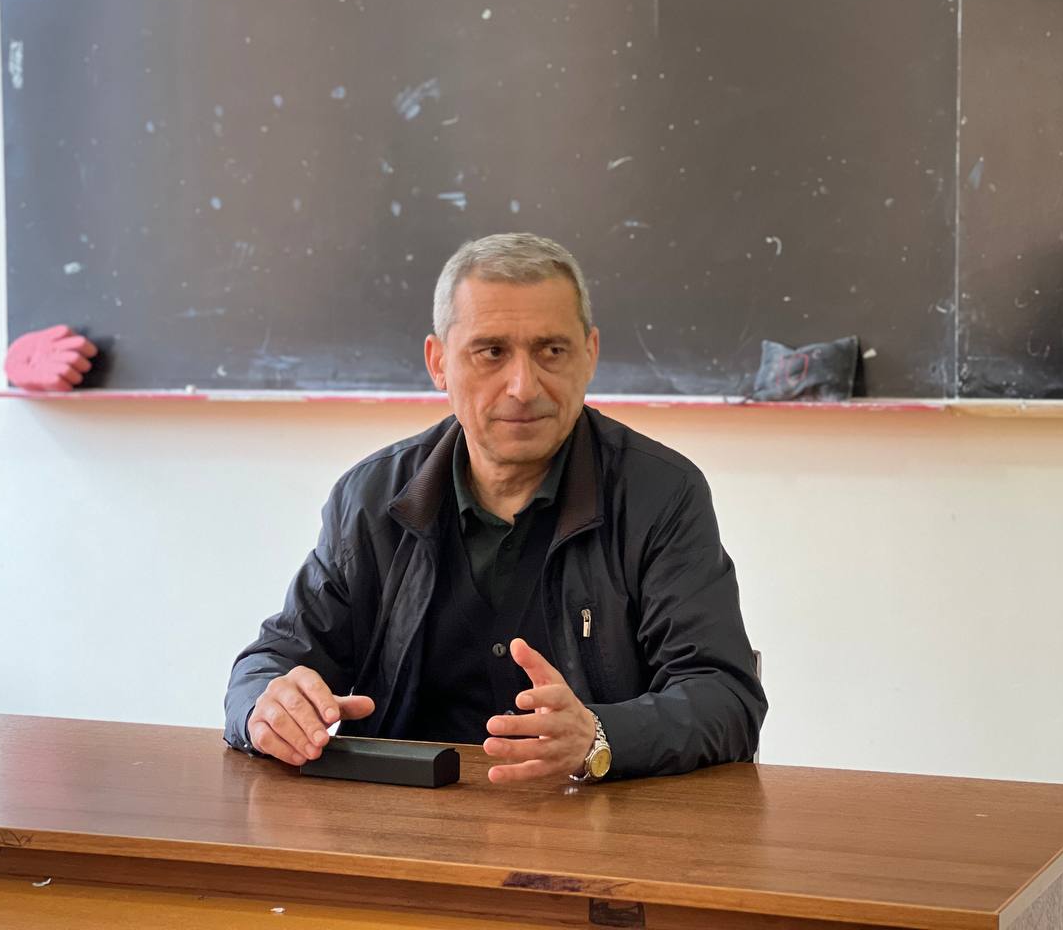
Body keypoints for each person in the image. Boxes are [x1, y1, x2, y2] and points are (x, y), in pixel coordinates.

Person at [224, 233, 766, 782]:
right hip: (401, 817)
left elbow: (725, 697)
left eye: (551, 351)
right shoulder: (370, 499)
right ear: (438, 362)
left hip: (594, 817)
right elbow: (270, 663)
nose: (523, 387)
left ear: (590, 355)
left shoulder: (660, 494)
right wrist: (265, 709)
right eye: (491, 352)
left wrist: (598, 736)